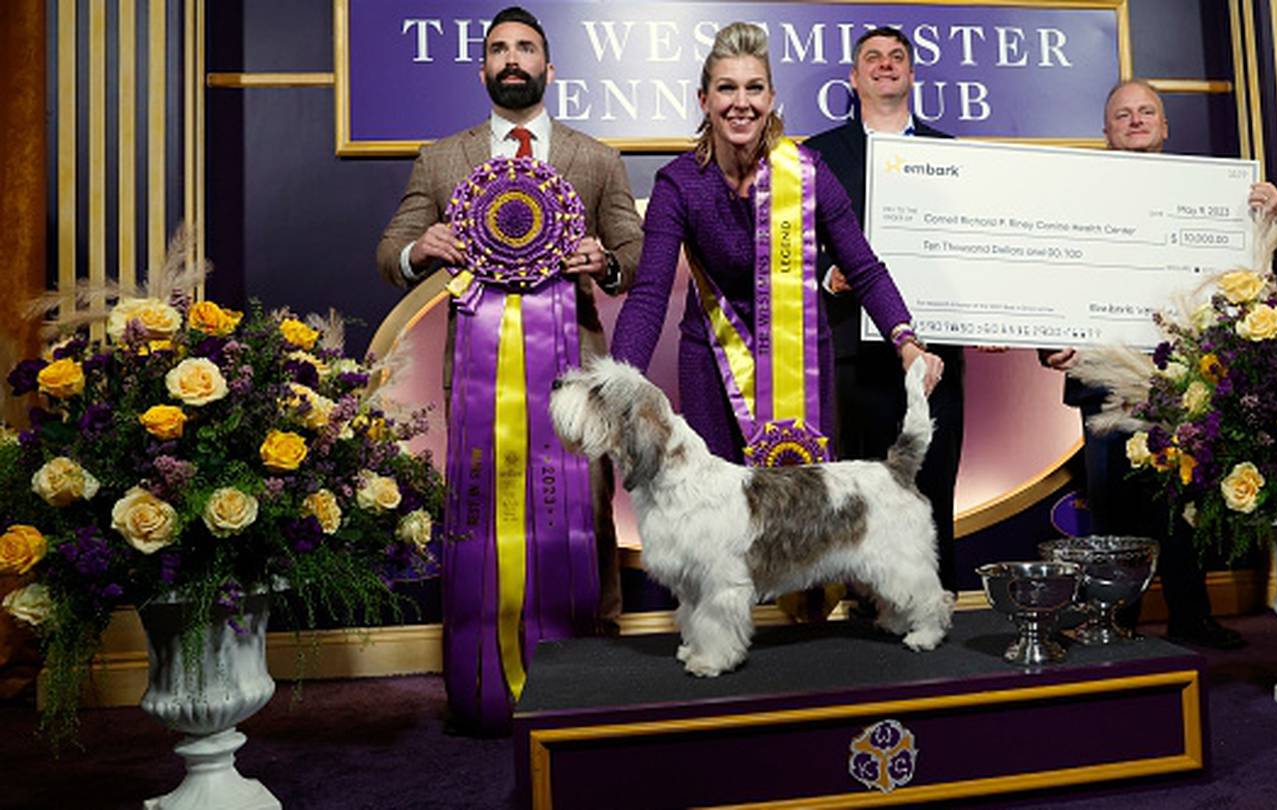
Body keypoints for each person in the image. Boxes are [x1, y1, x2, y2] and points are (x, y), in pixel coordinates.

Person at [376, 5, 643, 732]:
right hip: (478, 382)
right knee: (476, 522)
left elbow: (636, 247)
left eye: (526, 48)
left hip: (575, 377)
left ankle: (595, 675)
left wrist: (607, 261)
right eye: (500, 50)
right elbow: (389, 251)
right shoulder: (440, 159)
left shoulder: (596, 159)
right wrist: (422, 246)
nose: (513, 59)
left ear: (550, 69)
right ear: (484, 69)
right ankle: (477, 680)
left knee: (584, 517)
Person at [609, 20, 943, 489]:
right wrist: (620, 381)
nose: (740, 102)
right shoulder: (678, 184)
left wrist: (906, 341)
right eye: (726, 88)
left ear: (770, 101)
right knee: (717, 523)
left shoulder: (808, 174)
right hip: (711, 365)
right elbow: (648, 294)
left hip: (800, 360)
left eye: (754, 88)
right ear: (704, 101)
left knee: (805, 521)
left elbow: (863, 269)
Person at [1042, 79, 1277, 650]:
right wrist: (1050, 343)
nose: (1135, 120)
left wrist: (1265, 219)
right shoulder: (1077, 196)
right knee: (1115, 507)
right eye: (1122, 115)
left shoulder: (1209, 194)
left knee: (1186, 503)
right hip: (1106, 374)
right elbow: (1054, 271)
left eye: (1146, 111)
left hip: (1190, 374)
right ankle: (1112, 618)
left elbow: (1253, 272)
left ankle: (1191, 615)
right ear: (1106, 131)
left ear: (1165, 125)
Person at [805, 27, 964, 591]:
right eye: (872, 58)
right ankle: (867, 613)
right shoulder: (816, 154)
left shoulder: (952, 153)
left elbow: (973, 242)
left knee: (932, 483)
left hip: (935, 353)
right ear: (853, 78)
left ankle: (935, 605)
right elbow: (795, 239)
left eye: (898, 57)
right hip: (853, 348)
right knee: (860, 491)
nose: (885, 65)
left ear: (913, 75)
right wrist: (828, 271)